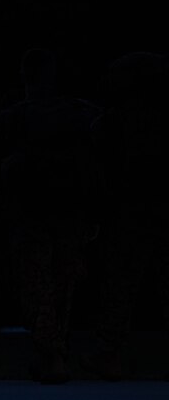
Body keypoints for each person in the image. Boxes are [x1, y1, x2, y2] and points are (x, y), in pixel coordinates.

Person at [0, 49, 99, 383]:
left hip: (28, 214)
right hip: (70, 213)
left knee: (36, 283)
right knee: (63, 282)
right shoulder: (81, 114)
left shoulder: (12, 118)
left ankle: (50, 353)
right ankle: (56, 350)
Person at [85, 53, 169, 380]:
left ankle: (109, 353)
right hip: (148, 209)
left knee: (120, 283)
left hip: (129, 212)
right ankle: (108, 352)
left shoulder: (113, 120)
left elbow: (99, 170)